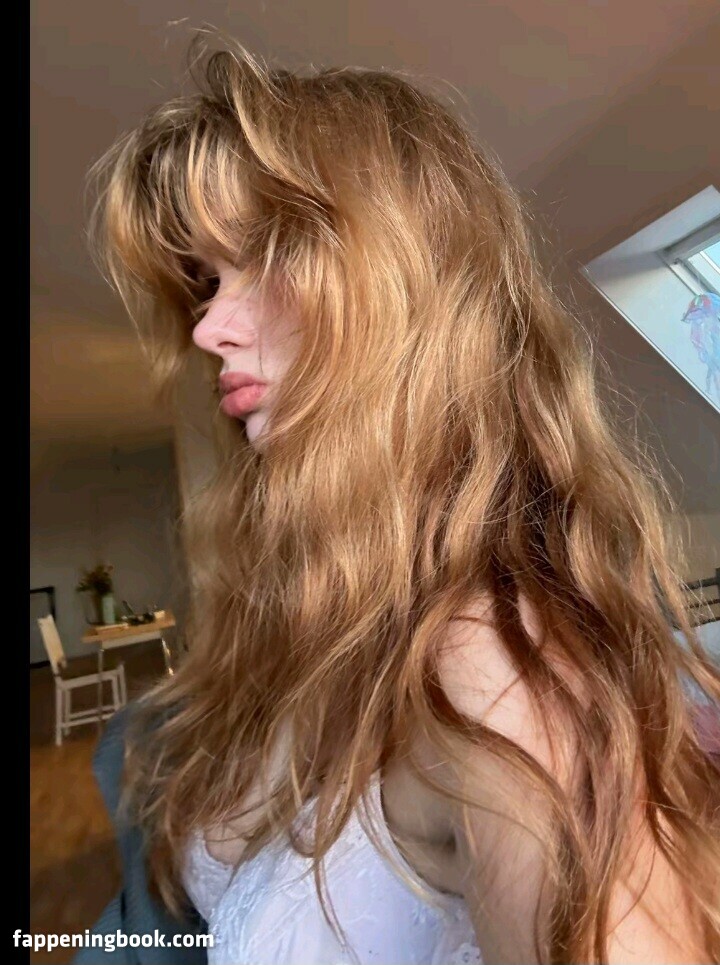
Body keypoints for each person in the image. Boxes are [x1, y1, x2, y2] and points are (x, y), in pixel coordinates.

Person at [84, 31, 720, 964]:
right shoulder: (308, 604)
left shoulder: (496, 668)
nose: (208, 325)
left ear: (411, 285)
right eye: (207, 282)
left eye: (270, 252)